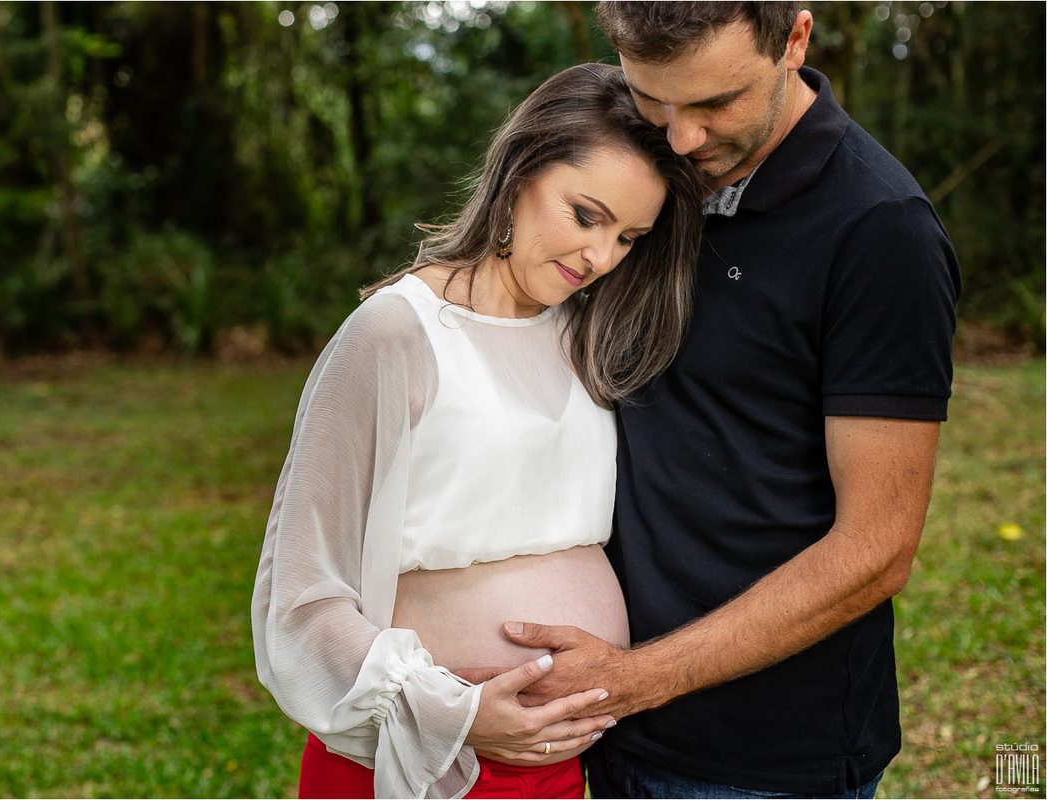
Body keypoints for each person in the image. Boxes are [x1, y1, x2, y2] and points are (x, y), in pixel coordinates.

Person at [470, 3, 963, 798]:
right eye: (652, 99)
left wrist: (635, 679)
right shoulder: (636, 173)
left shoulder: (881, 232)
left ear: (793, 40)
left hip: (761, 761)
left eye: (715, 103)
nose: (680, 139)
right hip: (602, 731)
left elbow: (875, 550)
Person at [251, 63, 704, 800]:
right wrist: (449, 714)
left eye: (629, 237)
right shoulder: (395, 331)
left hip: (557, 766)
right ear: (520, 171)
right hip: (423, 762)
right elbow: (301, 594)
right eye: (585, 216)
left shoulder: (584, 335)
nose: (601, 257)